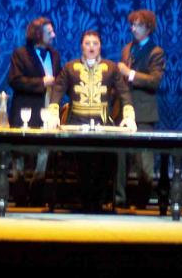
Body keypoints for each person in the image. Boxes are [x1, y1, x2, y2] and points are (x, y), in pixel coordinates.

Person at [47, 30, 136, 212]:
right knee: (82, 161)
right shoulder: (70, 67)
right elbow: (57, 91)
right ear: (82, 46)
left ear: (100, 46)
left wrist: (128, 115)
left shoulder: (111, 68)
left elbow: (124, 92)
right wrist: (54, 112)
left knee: (107, 159)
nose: (91, 47)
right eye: (87, 43)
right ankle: (87, 200)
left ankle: (98, 199)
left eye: (95, 43)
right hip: (76, 123)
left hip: (102, 123)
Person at [6, 17, 61, 206]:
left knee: (44, 151)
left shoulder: (54, 55)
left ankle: (37, 191)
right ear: (38, 34)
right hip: (26, 108)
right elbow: (15, 80)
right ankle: (20, 194)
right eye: (49, 32)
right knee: (19, 154)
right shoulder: (21, 54)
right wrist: (41, 82)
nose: (53, 35)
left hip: (47, 106)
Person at [115, 9, 166, 209]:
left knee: (144, 164)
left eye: (138, 25)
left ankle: (141, 201)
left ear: (148, 28)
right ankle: (119, 199)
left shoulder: (156, 52)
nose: (133, 29)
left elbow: (154, 81)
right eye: (132, 24)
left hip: (143, 113)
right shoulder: (127, 49)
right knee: (121, 160)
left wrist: (130, 74)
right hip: (124, 110)